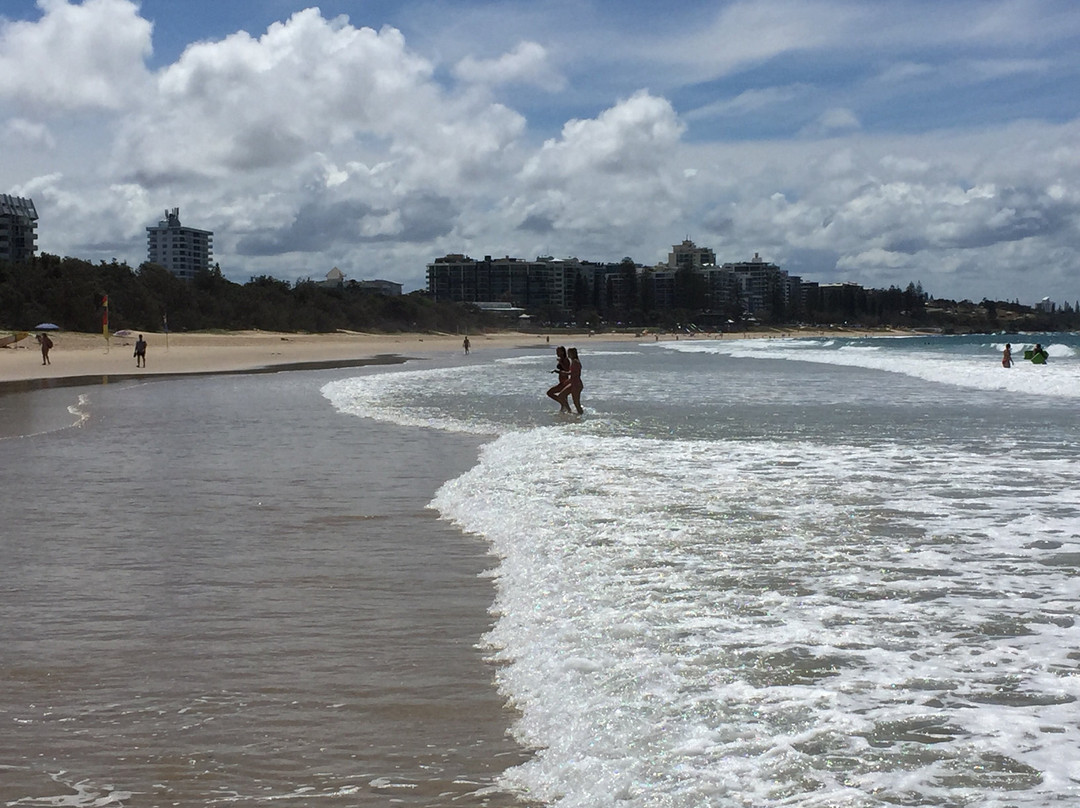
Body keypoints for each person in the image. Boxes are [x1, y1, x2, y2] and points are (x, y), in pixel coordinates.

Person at [546, 346, 571, 412]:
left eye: (558, 351)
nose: (556, 353)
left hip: (564, 382)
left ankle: (566, 407)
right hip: (561, 381)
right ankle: (565, 408)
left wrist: (561, 363)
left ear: (562, 352)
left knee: (550, 393)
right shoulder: (562, 359)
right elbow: (561, 370)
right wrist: (556, 371)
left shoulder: (565, 359)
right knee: (564, 398)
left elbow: (567, 369)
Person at [565, 346, 584, 415]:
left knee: (576, 403)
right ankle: (569, 411)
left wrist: (562, 373)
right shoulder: (573, 361)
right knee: (562, 395)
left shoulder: (575, 362)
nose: (568, 354)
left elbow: (574, 374)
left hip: (576, 384)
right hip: (573, 383)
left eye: (569, 353)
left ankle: (580, 415)